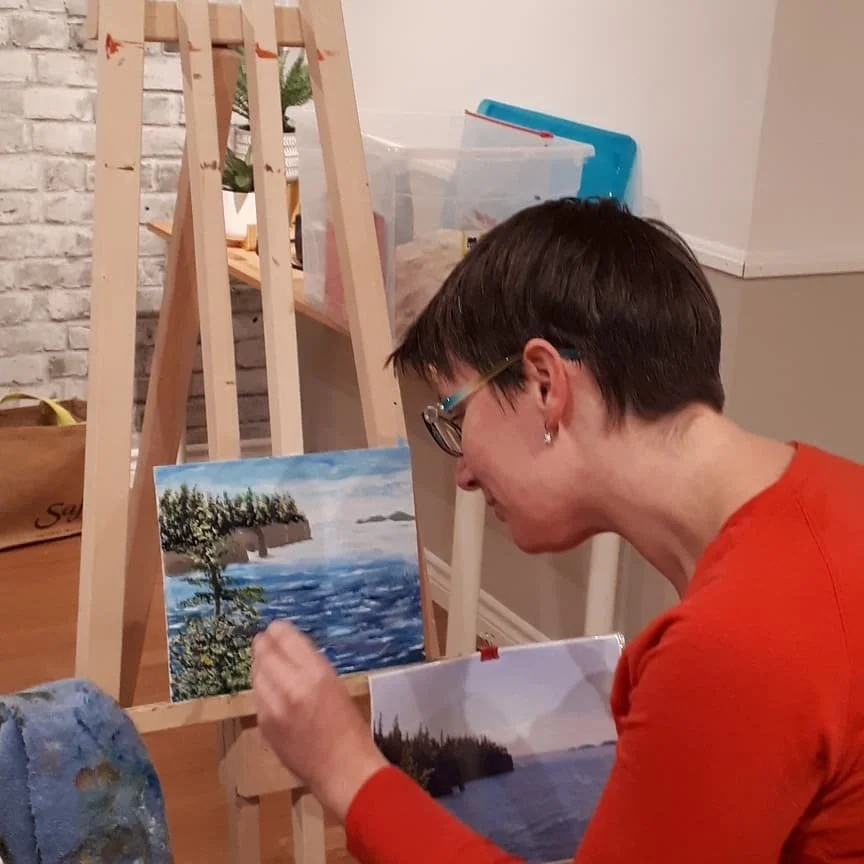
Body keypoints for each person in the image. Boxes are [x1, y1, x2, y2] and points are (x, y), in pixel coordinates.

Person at [251, 197, 864, 863]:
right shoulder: (838, 497)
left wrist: (344, 767)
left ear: (546, 383)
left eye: (454, 416)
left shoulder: (735, 648)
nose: (462, 475)